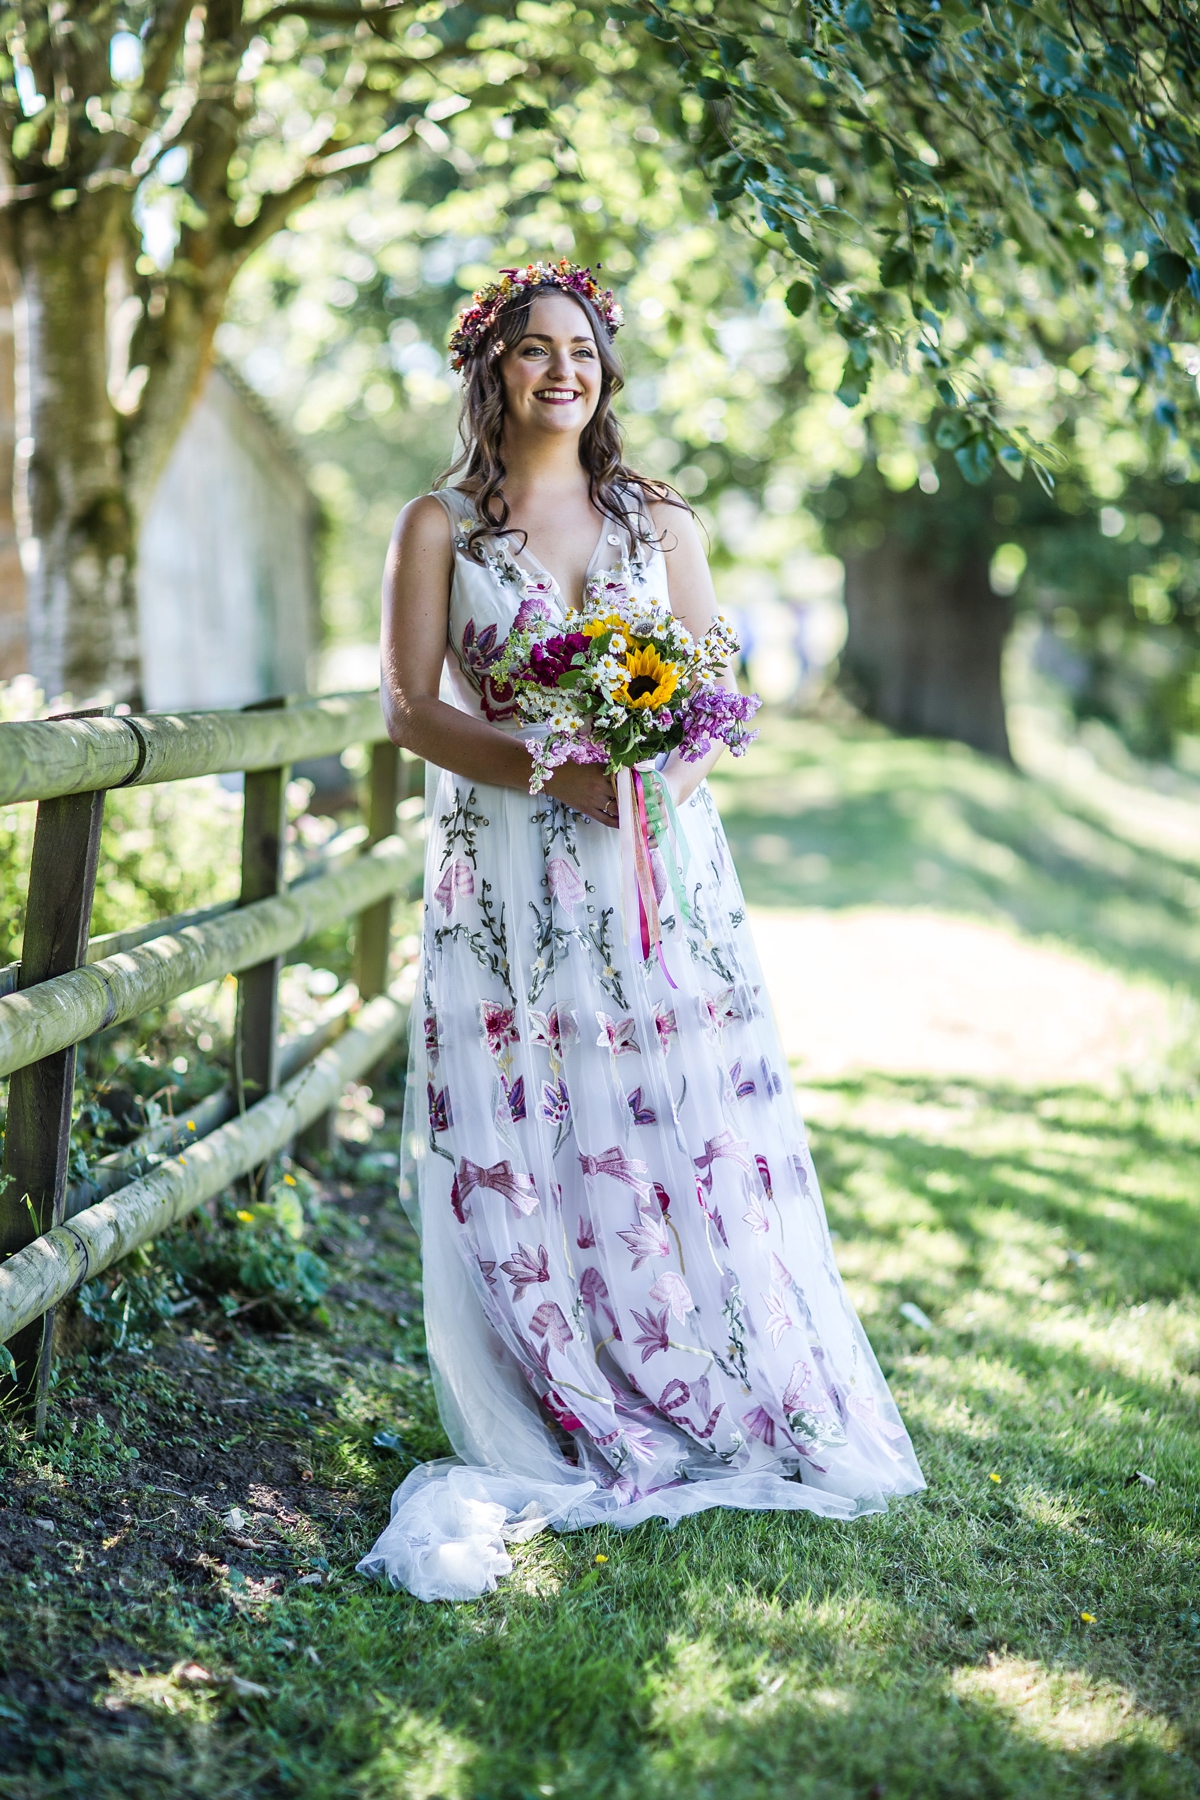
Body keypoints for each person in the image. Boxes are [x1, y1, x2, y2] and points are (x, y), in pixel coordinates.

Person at [358, 262, 924, 1601]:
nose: (562, 370)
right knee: (536, 1118)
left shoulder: (660, 521)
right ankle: (564, 1386)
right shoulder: (436, 525)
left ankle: (703, 1365)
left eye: (584, 352)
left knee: (680, 1122)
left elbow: (715, 694)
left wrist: (651, 770)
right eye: (534, 350)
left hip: (661, 873)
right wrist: (555, 771)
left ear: (607, 375)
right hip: (500, 873)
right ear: (489, 370)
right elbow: (409, 711)